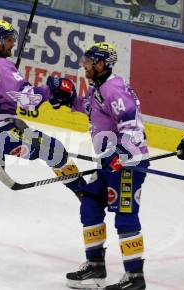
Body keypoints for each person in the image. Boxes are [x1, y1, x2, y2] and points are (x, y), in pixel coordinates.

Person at [0, 19, 86, 261]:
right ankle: (85, 193)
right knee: (54, 150)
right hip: (1, 133)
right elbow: (28, 100)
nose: (13, 43)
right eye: (8, 39)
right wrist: (51, 89)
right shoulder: (3, 67)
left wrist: (8, 102)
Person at [50, 42, 149, 289]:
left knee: (126, 217)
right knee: (91, 204)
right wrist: (68, 99)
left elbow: (133, 127)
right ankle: (95, 266)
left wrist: (122, 153)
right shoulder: (99, 88)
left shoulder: (114, 89)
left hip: (127, 165)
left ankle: (135, 278)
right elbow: (89, 107)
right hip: (110, 163)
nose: (84, 65)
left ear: (101, 64)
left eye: (88, 61)